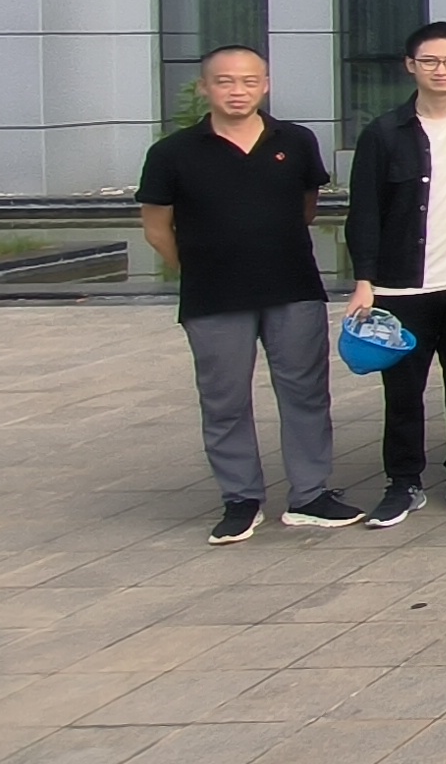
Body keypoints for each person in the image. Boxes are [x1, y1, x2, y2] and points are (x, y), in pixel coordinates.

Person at [139, 46, 364, 542]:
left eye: (248, 81)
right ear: (205, 88)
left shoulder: (296, 141)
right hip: (214, 296)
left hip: (293, 287)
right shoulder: (173, 153)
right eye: (224, 82)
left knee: (306, 393)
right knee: (224, 400)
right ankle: (240, 498)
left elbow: (306, 207)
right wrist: (201, 266)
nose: (237, 91)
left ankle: (310, 494)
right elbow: (156, 228)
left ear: (265, 85)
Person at [345, 21, 446, 525]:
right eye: (430, 61)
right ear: (411, 66)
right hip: (401, 285)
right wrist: (364, 281)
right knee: (403, 391)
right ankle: (403, 482)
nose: (442, 70)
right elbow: (364, 211)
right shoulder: (383, 133)